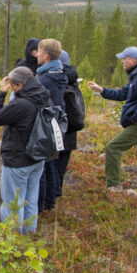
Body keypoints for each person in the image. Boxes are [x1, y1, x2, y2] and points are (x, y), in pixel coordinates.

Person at [0, 66, 52, 234]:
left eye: (14, 87)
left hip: (18, 160)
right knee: (30, 200)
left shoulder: (22, 104)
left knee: (12, 203)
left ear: (21, 85)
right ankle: (29, 235)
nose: (12, 90)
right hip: (37, 158)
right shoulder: (43, 96)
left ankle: (13, 241)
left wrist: (1, 94)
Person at [87, 46, 137, 192]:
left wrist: (134, 119)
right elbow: (122, 94)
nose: (122, 62)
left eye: (124, 59)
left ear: (132, 60)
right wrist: (102, 90)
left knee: (112, 147)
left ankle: (114, 186)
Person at [34, 38, 67, 213]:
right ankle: (50, 202)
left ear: (45, 55)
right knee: (50, 163)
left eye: (39, 51)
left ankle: (41, 206)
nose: (36, 54)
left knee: (43, 165)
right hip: (54, 123)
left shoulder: (45, 79)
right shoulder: (58, 73)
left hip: (45, 125)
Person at [57, 49, 81, 194]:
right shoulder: (72, 80)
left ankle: (51, 202)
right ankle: (56, 196)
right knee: (60, 169)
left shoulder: (59, 81)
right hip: (71, 131)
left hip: (60, 132)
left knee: (54, 168)